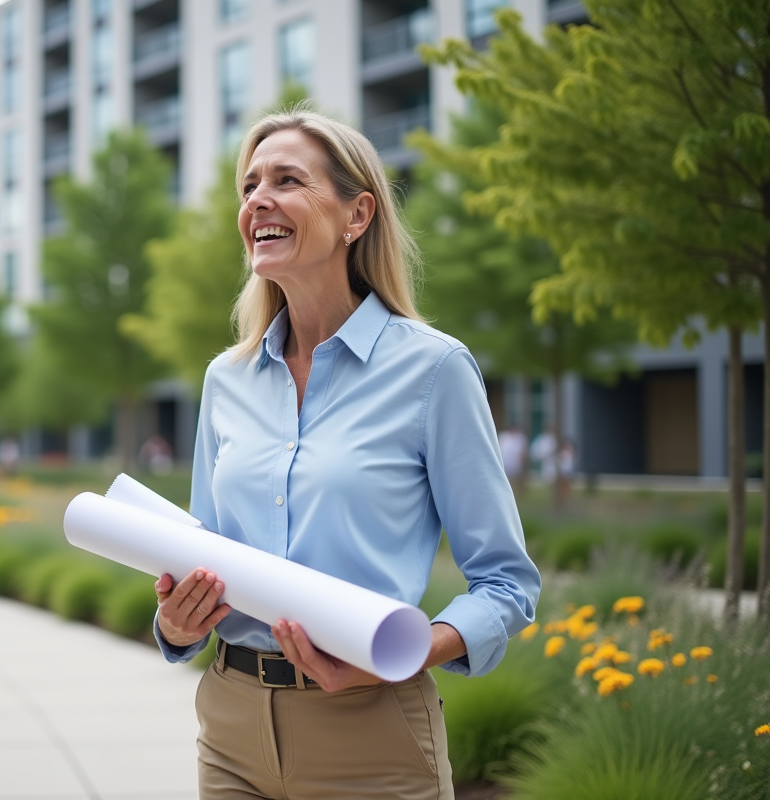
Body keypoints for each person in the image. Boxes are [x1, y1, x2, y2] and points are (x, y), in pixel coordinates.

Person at [150, 108, 541, 799]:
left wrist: (412, 649)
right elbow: (205, 556)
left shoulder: (433, 370)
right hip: (231, 727)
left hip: (371, 733)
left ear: (356, 215)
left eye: (287, 180)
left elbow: (507, 584)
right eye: (249, 186)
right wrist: (177, 622)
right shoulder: (227, 380)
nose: (258, 200)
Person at [498, 424, 528, 492]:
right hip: (505, 461)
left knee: (515, 479)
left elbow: (523, 451)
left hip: (516, 462)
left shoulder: (520, 437)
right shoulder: (503, 436)